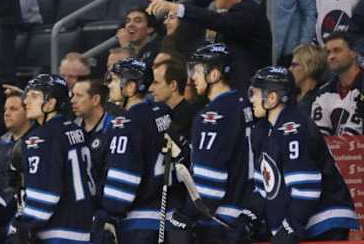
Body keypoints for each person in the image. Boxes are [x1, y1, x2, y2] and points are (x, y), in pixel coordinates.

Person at [238, 66, 359, 242]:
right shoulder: (262, 131)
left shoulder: (293, 129)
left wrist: (291, 226)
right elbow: (264, 187)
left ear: (272, 98)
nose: (251, 99)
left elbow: (306, 188)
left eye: (254, 93)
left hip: (324, 220)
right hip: (305, 219)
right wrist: (247, 218)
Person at [92, 58, 190, 244]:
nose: (109, 85)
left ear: (130, 87)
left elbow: (124, 177)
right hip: (168, 217)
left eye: (113, 80)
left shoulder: (126, 124)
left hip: (138, 224)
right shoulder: (162, 112)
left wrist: (108, 214)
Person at [145, 0, 272, 95]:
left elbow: (219, 21)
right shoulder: (237, 12)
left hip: (251, 94)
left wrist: (177, 8)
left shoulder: (248, 11)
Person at [169, 43, 254, 243]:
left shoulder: (212, 116)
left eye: (197, 70)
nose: (192, 78)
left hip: (217, 220)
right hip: (243, 217)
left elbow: (209, 187)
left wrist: (186, 215)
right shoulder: (246, 106)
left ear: (214, 75)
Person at [11, 73, 93, 243]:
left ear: (50, 104)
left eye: (34, 96)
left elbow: (46, 195)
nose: (26, 101)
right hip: (84, 230)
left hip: (57, 233)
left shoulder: (40, 138)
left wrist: (23, 226)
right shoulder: (76, 130)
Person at [71, 78, 114, 205]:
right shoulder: (70, 130)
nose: (72, 100)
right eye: (73, 95)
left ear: (95, 100)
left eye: (79, 96)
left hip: (106, 207)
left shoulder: (114, 129)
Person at [312, 31, 364, 136]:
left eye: (337, 51)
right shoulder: (323, 93)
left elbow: (354, 134)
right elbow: (320, 138)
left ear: (353, 53)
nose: (331, 57)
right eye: (328, 52)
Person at [288, 44, 328, 116]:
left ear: (309, 67)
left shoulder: (323, 98)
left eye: (294, 65)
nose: (290, 69)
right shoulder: (289, 96)